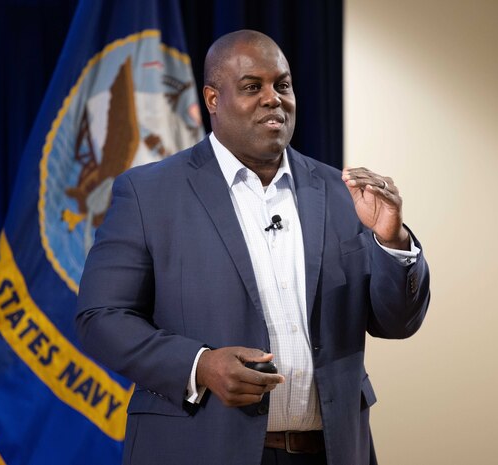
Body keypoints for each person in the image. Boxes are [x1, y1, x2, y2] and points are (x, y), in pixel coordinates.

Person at [76, 29, 430, 465]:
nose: (272, 98)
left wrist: (391, 240)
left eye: (282, 85)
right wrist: (199, 364)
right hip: (199, 449)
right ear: (212, 99)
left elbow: (396, 323)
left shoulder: (342, 194)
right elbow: (101, 318)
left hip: (330, 452)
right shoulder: (150, 194)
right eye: (251, 87)